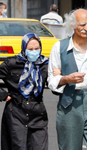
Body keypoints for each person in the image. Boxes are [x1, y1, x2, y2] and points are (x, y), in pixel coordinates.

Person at [0, 33, 48, 150]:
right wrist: (2, 95)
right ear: (23, 48)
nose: (34, 51)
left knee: (39, 146)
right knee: (18, 146)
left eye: (37, 49)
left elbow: (55, 81)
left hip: (37, 112)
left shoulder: (45, 64)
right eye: (30, 49)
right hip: (16, 111)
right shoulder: (12, 63)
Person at [48, 8, 87, 150]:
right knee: (69, 146)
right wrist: (66, 79)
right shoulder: (59, 47)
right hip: (70, 103)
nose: (86, 28)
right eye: (82, 25)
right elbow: (52, 81)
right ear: (72, 25)